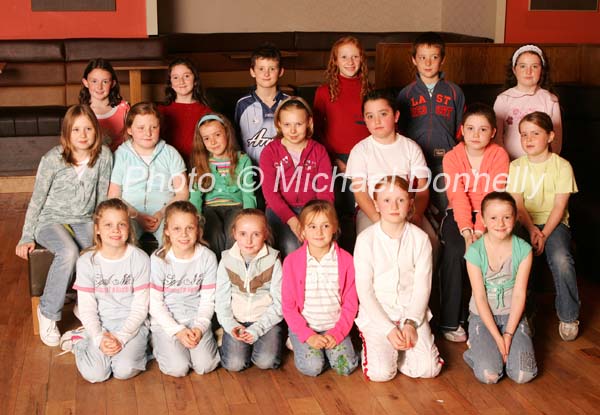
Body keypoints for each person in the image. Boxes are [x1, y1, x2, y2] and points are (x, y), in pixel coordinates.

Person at [15, 104, 112, 347]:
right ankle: (48, 311)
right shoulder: (52, 159)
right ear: (66, 133)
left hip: (84, 218)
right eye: (76, 129)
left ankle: (84, 302)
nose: (82, 135)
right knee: (67, 251)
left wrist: (102, 229)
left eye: (88, 128)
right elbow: (37, 199)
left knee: (99, 249)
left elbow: (101, 199)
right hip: (50, 220)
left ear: (96, 131)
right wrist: (26, 235)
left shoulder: (105, 156)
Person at [354, 176, 443, 381]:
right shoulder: (366, 240)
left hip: (409, 312)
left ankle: (404, 354)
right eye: (386, 200)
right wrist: (388, 329)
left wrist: (411, 323)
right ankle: (387, 352)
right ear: (376, 203)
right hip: (379, 315)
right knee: (381, 374)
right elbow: (365, 292)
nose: (394, 206)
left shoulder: (420, 239)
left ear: (410, 203)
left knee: (429, 369)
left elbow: (422, 287)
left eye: (401, 200)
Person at [440, 104, 510, 342]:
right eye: (470, 128)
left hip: (491, 216)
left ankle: (488, 318)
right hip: (458, 215)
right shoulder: (452, 157)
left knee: (485, 252)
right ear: (462, 130)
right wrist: (467, 232)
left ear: (492, 132)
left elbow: (492, 196)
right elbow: (457, 196)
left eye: (482, 129)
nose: (475, 135)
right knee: (456, 250)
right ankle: (451, 321)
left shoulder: (498, 155)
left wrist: (479, 232)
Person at [60, 198, 150, 383]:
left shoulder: (140, 259)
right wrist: (99, 337)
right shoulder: (87, 261)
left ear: (129, 228)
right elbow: (87, 308)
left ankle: (144, 346)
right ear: (97, 229)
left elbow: (141, 307)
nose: (115, 230)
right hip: (102, 323)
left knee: (124, 370)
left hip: (133, 325)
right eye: (108, 224)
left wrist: (122, 337)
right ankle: (80, 341)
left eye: (121, 224)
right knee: (96, 374)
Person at [508, 111, 580, 341]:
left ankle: (569, 316)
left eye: (535, 133)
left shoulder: (562, 166)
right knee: (517, 256)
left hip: (554, 223)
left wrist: (544, 233)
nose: (528, 139)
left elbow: (560, 206)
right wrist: (531, 230)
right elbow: (517, 204)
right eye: (524, 134)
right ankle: (524, 313)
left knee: (561, 259)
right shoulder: (517, 166)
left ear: (550, 136)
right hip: (524, 221)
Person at [463, 192, 537, 384]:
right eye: (493, 218)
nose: (500, 223)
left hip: (513, 315)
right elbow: (479, 298)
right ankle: (476, 352)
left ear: (515, 218)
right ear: (483, 220)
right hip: (483, 317)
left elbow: (520, 294)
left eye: (506, 217)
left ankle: (506, 347)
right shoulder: (474, 252)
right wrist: (498, 338)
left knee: (524, 375)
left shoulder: (523, 250)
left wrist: (509, 335)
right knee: (490, 374)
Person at [282, 200, 359, 377]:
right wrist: (307, 335)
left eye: (325, 225)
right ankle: (297, 341)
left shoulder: (345, 261)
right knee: (313, 367)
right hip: (307, 326)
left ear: (334, 228)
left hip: (334, 326)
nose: (319, 232)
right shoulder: (292, 262)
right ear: (302, 230)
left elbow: (350, 303)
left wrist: (337, 333)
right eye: (312, 226)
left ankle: (330, 350)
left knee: (344, 367)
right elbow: (288, 306)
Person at [397, 32, 465, 214]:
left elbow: (461, 128)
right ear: (414, 60)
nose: (428, 63)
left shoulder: (454, 92)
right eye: (422, 58)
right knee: (417, 210)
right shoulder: (406, 94)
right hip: (415, 163)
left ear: (442, 59)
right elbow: (400, 131)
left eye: (434, 57)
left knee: (446, 207)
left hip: (445, 162)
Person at [149, 201, 220, 377]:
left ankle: (206, 338)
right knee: (178, 368)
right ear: (166, 230)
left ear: (198, 230)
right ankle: (156, 343)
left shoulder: (207, 257)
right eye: (177, 229)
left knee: (205, 366)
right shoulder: (159, 259)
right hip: (167, 322)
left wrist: (200, 327)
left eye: (190, 228)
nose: (184, 234)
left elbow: (208, 300)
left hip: (195, 319)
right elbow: (155, 304)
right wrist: (178, 331)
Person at [346, 89, 431, 236]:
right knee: (371, 241)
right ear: (365, 120)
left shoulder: (411, 147)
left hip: (406, 208)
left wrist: (416, 217)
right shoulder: (360, 150)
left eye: (383, 114)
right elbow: (360, 192)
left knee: (430, 240)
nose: (376, 121)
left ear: (396, 116)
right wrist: (377, 220)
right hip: (372, 209)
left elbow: (422, 188)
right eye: (370, 116)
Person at [259, 97, 334, 258]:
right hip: (279, 210)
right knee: (291, 245)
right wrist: (292, 221)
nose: (293, 131)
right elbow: (270, 194)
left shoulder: (318, 151)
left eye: (298, 124)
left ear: (309, 122)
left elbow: (325, 192)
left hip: (312, 209)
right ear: (278, 124)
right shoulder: (270, 152)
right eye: (287, 125)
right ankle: (292, 282)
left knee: (321, 243)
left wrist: (317, 221)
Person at [108, 102, 188, 245]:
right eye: (141, 128)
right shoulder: (121, 155)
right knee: (121, 240)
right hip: (130, 214)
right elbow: (114, 195)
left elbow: (182, 193)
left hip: (164, 213)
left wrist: (162, 213)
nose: (148, 133)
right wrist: (136, 215)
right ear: (130, 130)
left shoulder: (170, 153)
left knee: (176, 242)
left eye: (154, 127)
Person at [215, 209, 284, 371]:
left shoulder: (273, 259)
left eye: (256, 234)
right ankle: (224, 336)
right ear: (234, 234)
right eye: (243, 234)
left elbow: (279, 302)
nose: (249, 240)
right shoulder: (226, 260)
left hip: (266, 321)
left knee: (265, 362)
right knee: (234, 364)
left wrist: (257, 329)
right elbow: (221, 300)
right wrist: (231, 325)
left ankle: (269, 341)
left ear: (265, 234)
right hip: (237, 320)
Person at [313, 36, 371, 227]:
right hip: (335, 160)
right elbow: (317, 132)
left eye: (355, 56)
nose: (350, 62)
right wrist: (334, 160)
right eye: (344, 57)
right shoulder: (323, 92)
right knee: (340, 212)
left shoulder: (369, 90)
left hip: (365, 159)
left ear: (362, 59)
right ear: (335, 61)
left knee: (363, 210)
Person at [189, 113, 256, 259]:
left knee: (235, 232)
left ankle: (231, 269)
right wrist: (195, 218)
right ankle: (215, 271)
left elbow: (248, 193)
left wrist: (249, 217)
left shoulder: (242, 160)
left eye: (217, 135)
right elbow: (195, 196)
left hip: (236, 205)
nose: (213, 142)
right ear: (202, 141)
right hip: (210, 207)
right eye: (206, 138)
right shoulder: (201, 162)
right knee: (212, 233)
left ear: (227, 132)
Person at [494, 44, 562, 160]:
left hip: (541, 164)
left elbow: (557, 139)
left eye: (534, 66)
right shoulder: (503, 99)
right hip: (509, 163)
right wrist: (504, 160)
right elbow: (496, 136)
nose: (528, 71)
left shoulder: (550, 100)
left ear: (542, 70)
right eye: (523, 66)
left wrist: (548, 162)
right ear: (514, 70)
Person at [235, 43, 289, 166]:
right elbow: (235, 140)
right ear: (252, 71)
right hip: (250, 171)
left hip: (283, 171)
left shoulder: (289, 103)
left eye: (272, 69)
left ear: (280, 71)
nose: (266, 74)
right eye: (261, 69)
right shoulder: (242, 104)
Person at [158, 58, 212, 163]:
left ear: (195, 80)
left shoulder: (206, 112)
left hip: (197, 165)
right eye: (175, 77)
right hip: (168, 165)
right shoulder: (161, 111)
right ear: (170, 83)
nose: (181, 81)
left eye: (186, 76)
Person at [79, 58, 130, 152]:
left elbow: (130, 144)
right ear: (85, 82)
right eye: (94, 81)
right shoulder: (80, 113)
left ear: (113, 83)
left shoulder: (124, 109)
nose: (99, 87)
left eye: (105, 81)